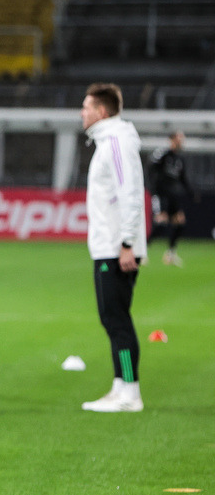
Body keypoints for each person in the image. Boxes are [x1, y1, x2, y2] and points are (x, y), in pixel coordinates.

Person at [79, 83, 146, 412]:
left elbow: (130, 193)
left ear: (101, 112)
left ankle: (130, 392)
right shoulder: (110, 141)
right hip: (110, 246)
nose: (82, 113)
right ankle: (122, 386)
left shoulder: (116, 142)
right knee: (113, 318)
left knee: (116, 319)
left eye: (86, 107)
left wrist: (126, 244)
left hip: (116, 249)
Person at [147, 131, 194, 266]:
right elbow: (151, 168)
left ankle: (170, 254)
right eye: (180, 139)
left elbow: (183, 178)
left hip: (173, 194)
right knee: (161, 222)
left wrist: (191, 192)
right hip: (161, 193)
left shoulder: (179, 159)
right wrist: (153, 188)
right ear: (172, 140)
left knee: (180, 222)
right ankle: (141, 251)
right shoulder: (162, 154)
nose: (182, 141)